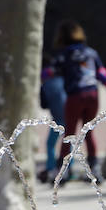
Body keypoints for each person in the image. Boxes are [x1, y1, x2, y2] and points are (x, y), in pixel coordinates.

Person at [43, 20, 106, 179]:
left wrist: (40, 77)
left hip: (75, 96)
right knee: (89, 132)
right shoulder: (91, 53)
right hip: (92, 95)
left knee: (69, 134)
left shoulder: (65, 55)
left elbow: (50, 72)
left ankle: (62, 170)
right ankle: (94, 168)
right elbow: (103, 75)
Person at [38, 53, 68, 183]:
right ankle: (68, 169)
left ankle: (50, 168)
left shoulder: (44, 82)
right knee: (68, 142)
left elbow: (43, 104)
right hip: (69, 112)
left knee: (50, 144)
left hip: (58, 116)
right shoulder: (62, 77)